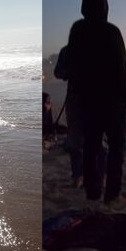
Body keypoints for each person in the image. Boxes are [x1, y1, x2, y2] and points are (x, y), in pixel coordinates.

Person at [66, 0, 126, 204]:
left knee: (91, 147)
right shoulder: (112, 31)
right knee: (116, 150)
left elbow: (73, 65)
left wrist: (78, 91)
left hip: (87, 101)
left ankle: (92, 191)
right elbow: (122, 68)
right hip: (112, 101)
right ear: (105, 8)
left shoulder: (77, 30)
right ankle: (112, 194)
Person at [53, 45, 84, 188]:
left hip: (95, 100)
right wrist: (71, 72)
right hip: (75, 101)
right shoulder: (67, 50)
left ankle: (88, 174)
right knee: (75, 140)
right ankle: (77, 175)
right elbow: (58, 72)